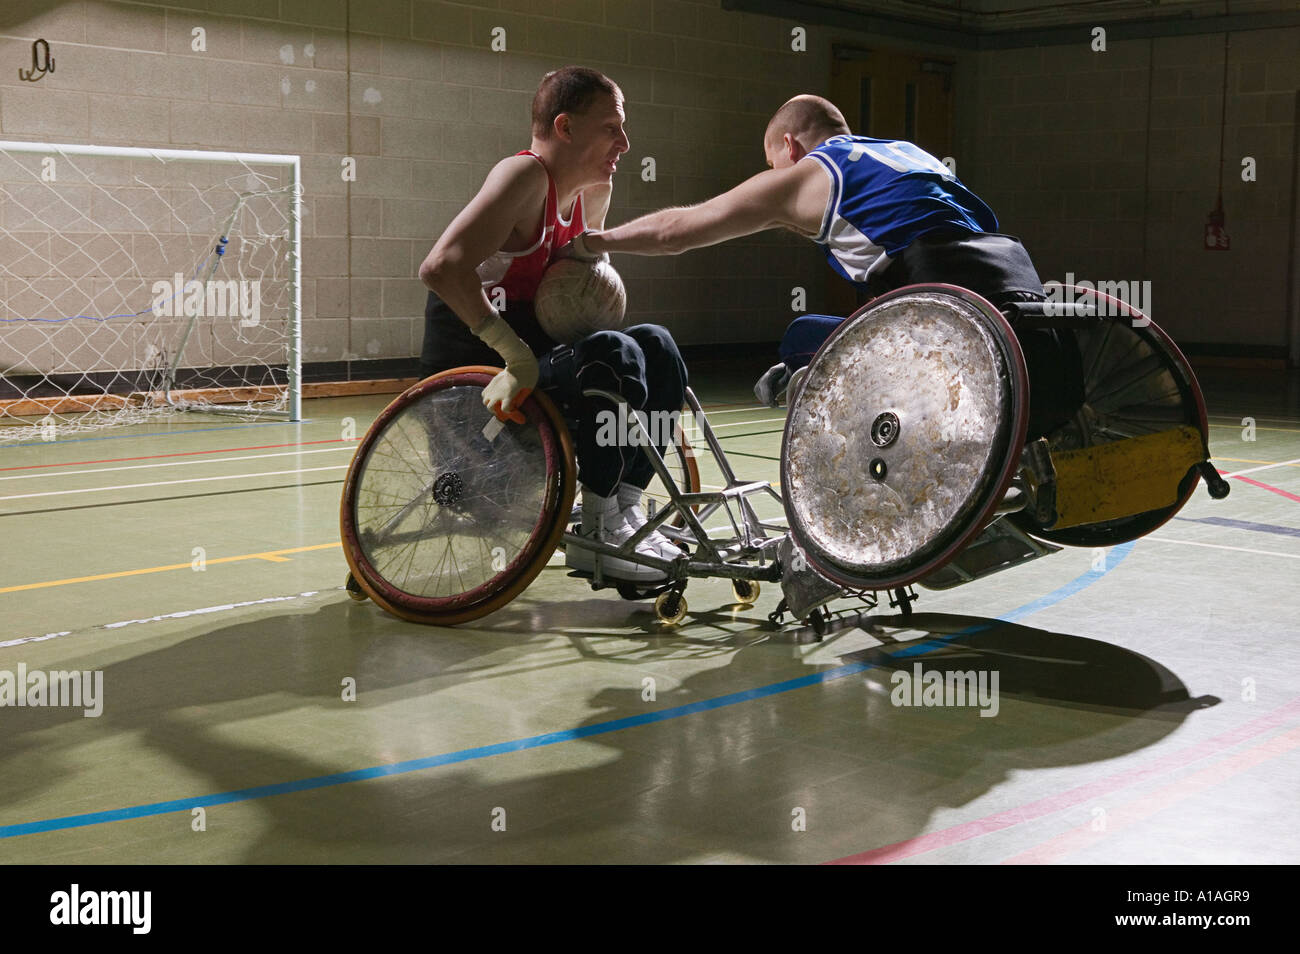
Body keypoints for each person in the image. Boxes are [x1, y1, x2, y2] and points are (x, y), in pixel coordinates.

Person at [564, 94, 1082, 441]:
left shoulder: (809, 172)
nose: (776, 177)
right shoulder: (907, 153)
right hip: (1015, 301)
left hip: (945, 317)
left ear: (789, 147)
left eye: (773, 165)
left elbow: (679, 231)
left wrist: (596, 241)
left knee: (799, 337)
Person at [418, 66, 687, 583]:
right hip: (477, 374)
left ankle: (622, 509)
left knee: (656, 343)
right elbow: (440, 268)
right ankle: (598, 532)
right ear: (565, 128)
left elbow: (573, 305)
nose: (626, 144)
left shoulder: (592, 196)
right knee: (615, 352)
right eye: (612, 128)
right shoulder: (523, 177)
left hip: (537, 364)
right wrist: (514, 355)